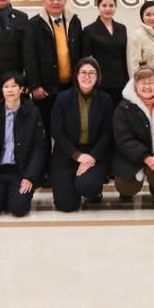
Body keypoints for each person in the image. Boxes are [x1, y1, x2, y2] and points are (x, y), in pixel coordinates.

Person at [0, 72, 46, 218]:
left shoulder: (33, 113)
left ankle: (10, 195)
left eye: (14, 86)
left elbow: (39, 148)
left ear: (21, 89)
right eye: (6, 86)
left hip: (20, 171)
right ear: (2, 90)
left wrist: (30, 176)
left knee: (19, 209)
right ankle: (4, 195)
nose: (10, 90)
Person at [49, 58, 114, 212]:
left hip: (93, 152)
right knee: (66, 205)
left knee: (87, 186)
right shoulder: (63, 98)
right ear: (76, 75)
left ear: (97, 77)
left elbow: (107, 134)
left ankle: (93, 190)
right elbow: (57, 131)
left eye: (92, 73)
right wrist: (77, 156)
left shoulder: (105, 100)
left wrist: (90, 158)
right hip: (67, 152)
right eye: (83, 72)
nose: (87, 76)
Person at [24, 0, 82, 151]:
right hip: (46, 88)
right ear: (44, 1)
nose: (55, 2)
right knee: (46, 129)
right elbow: (29, 57)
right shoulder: (34, 24)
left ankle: (67, 160)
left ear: (65, 0)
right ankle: (46, 163)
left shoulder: (74, 21)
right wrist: (35, 86)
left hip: (70, 87)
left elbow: (80, 53)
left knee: (69, 127)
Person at [113, 66, 154, 209]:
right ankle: (127, 190)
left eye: (151, 82)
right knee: (126, 187)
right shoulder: (124, 108)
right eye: (143, 83)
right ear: (135, 85)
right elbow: (124, 139)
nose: (147, 87)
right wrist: (145, 157)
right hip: (132, 156)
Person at [82, 0, 128, 105]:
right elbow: (85, 59)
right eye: (104, 5)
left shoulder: (122, 28)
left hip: (121, 81)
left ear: (115, 7)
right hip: (101, 82)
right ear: (98, 6)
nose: (108, 9)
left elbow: (124, 55)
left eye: (111, 5)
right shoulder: (89, 30)